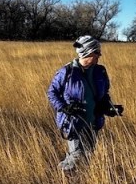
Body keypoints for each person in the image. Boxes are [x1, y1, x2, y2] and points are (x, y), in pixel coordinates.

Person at [47, 35, 123, 174]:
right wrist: (64, 107)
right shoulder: (67, 72)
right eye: (96, 53)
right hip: (74, 122)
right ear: (87, 52)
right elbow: (52, 93)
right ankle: (61, 176)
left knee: (88, 154)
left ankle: (78, 179)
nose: (99, 56)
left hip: (93, 121)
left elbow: (104, 94)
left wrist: (110, 108)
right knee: (77, 155)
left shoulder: (100, 71)